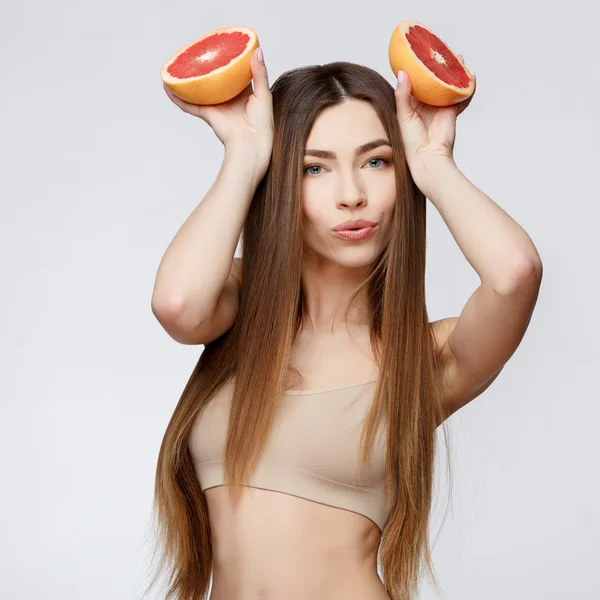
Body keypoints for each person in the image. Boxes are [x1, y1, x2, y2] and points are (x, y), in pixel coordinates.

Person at [145, 47, 543, 600]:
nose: (352, 194)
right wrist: (245, 152)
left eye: (377, 162)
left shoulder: (426, 360)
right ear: (281, 183)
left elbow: (515, 275)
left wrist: (432, 163)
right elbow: (177, 304)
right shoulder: (236, 306)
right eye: (314, 167)